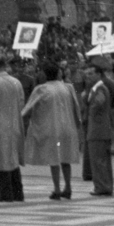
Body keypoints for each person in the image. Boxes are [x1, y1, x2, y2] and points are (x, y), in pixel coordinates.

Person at [21, 60, 80, 200]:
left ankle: (57, 189)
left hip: (52, 128)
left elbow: (27, 108)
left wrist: (19, 118)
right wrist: (78, 125)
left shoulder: (41, 89)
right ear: (59, 73)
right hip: (68, 128)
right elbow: (76, 107)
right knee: (66, 158)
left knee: (54, 159)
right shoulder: (69, 88)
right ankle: (68, 187)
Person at [0, 55, 25, 202]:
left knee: (0, 160)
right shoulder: (16, 82)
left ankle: (6, 194)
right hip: (14, 123)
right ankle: (18, 193)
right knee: (13, 159)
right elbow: (21, 102)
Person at [83, 61, 114, 196]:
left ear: (98, 74)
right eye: (86, 74)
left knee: (98, 161)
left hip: (98, 129)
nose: (88, 77)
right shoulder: (95, 88)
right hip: (99, 129)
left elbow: (98, 103)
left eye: (91, 74)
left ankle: (102, 186)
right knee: (101, 161)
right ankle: (104, 185)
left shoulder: (100, 89)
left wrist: (87, 101)